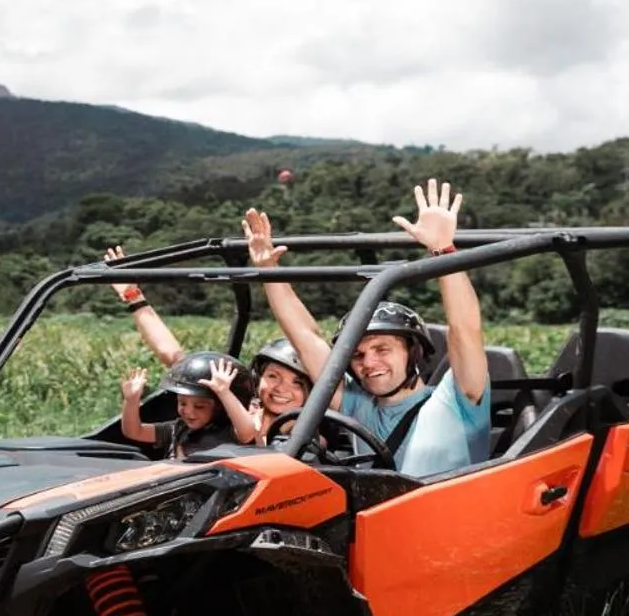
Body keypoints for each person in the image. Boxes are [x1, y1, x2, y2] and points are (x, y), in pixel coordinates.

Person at [244, 179, 491, 477]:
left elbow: (464, 329)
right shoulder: (358, 408)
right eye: (358, 355)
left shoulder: (459, 397)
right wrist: (270, 273)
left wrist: (443, 251)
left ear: (412, 353)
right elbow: (306, 337)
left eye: (382, 349)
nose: (368, 363)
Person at [103, 247, 314, 445]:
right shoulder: (234, 399)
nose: (281, 388)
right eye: (273, 376)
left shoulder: (308, 428)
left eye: (297, 383)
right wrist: (133, 297)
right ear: (258, 378)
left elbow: (311, 336)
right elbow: (176, 359)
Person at [120, 350, 258, 459]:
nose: (188, 412)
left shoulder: (230, 433)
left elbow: (247, 432)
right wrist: (131, 401)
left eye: (199, 406)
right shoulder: (177, 429)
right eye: (182, 403)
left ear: (220, 407)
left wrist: (224, 393)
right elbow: (134, 431)